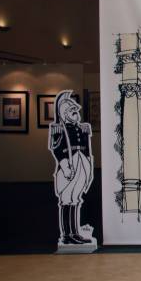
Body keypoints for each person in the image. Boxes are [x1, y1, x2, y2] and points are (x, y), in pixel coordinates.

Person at [48, 90, 94, 245]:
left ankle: (75, 232)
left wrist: (88, 166)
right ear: (65, 113)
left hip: (81, 163)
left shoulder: (83, 128)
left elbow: (87, 149)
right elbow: (57, 150)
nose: (76, 113)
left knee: (75, 198)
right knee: (67, 199)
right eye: (72, 111)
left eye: (76, 110)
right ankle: (67, 234)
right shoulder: (59, 129)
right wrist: (65, 167)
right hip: (69, 164)